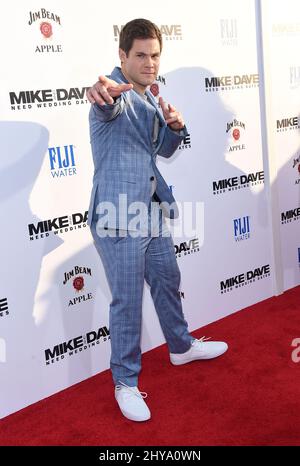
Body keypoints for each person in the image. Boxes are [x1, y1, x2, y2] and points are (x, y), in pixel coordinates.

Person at [86, 18, 228, 422]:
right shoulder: (114, 92)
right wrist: (99, 94)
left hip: (148, 211)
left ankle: (180, 346)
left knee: (168, 280)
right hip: (118, 216)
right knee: (128, 301)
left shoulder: (150, 95)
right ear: (122, 56)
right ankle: (125, 383)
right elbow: (103, 103)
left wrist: (176, 127)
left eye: (155, 55)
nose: (149, 63)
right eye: (141, 56)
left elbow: (162, 151)